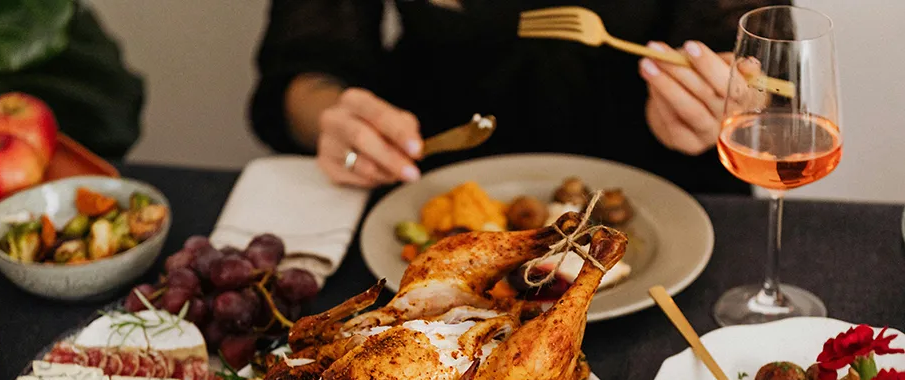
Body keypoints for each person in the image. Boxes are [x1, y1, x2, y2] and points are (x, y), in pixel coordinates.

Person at [250, 0, 789, 195]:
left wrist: (723, 96)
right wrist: (334, 120)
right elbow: (304, 64)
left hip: (661, 206)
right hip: (423, 187)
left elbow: (768, 72)